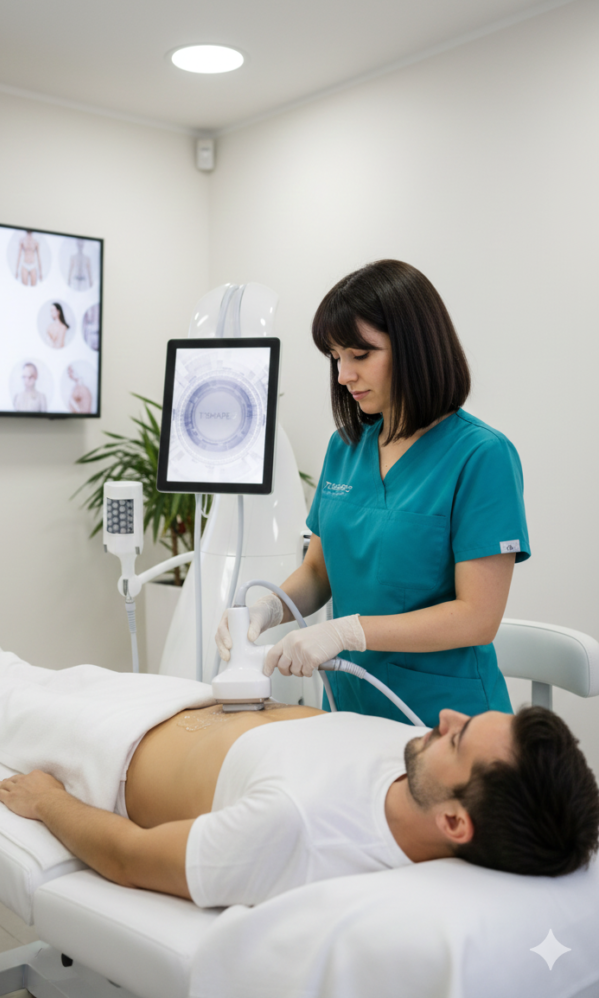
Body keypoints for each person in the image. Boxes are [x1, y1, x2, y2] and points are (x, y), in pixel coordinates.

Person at [0, 614, 598, 909]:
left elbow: (130, 855)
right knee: (67, 678)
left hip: (112, 756)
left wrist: (47, 802)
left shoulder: (297, 828)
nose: (443, 719)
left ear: (454, 821)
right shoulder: (415, 769)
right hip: (184, 705)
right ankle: (3, 662)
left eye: (458, 738)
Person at [217, 260, 530, 728]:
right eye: (335, 357)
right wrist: (265, 610)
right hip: (349, 709)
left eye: (360, 356)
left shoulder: (481, 456)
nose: (343, 375)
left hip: (446, 722)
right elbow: (319, 571)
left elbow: (477, 616)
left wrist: (348, 631)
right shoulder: (344, 448)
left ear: (415, 349)